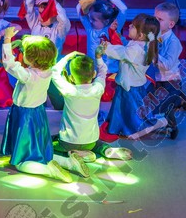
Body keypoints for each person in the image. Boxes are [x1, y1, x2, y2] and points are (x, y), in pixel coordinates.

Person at [0, 27, 72, 183]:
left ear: (32, 58)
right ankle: (69, 163)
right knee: (41, 151)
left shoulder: (28, 75)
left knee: (21, 162)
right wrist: (22, 45)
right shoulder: (48, 70)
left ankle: (48, 170)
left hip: (24, 116)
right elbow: (40, 53)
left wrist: (7, 39)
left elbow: (8, 64)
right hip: (38, 113)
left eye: (25, 52)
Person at [50, 49, 133, 178]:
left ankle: (74, 154)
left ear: (71, 78)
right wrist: (98, 57)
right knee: (98, 143)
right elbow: (103, 71)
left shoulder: (69, 90)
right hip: (91, 141)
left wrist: (68, 57)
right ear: (93, 74)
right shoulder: (98, 88)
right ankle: (106, 150)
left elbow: (54, 72)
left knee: (49, 142)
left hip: (68, 142)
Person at [102, 14, 169, 139]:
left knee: (132, 112)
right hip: (131, 84)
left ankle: (157, 123)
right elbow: (125, 45)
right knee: (124, 109)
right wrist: (115, 33)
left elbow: (121, 52)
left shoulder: (136, 50)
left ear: (141, 35)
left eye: (133, 26)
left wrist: (105, 46)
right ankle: (122, 127)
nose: (129, 26)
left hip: (131, 87)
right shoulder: (143, 43)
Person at [22, 0, 71, 110]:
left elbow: (64, 19)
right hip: (35, 70)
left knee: (59, 103)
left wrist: (53, 2)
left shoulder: (59, 29)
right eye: (40, 13)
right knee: (35, 101)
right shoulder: (36, 24)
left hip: (52, 70)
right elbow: (28, 10)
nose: (40, 17)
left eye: (46, 14)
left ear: (56, 14)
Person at [152, 1, 186, 139]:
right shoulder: (156, 34)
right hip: (159, 77)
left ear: (171, 24)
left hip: (170, 79)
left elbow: (167, 65)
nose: (155, 21)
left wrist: (152, 53)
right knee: (161, 100)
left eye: (160, 19)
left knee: (165, 108)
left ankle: (172, 127)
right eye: (154, 17)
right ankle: (181, 100)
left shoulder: (174, 43)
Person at [76, 0, 128, 75]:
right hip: (93, 72)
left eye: (94, 20)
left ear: (106, 21)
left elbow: (123, 9)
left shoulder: (113, 28)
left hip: (111, 72)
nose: (90, 21)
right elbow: (78, 7)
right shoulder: (90, 28)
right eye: (90, 18)